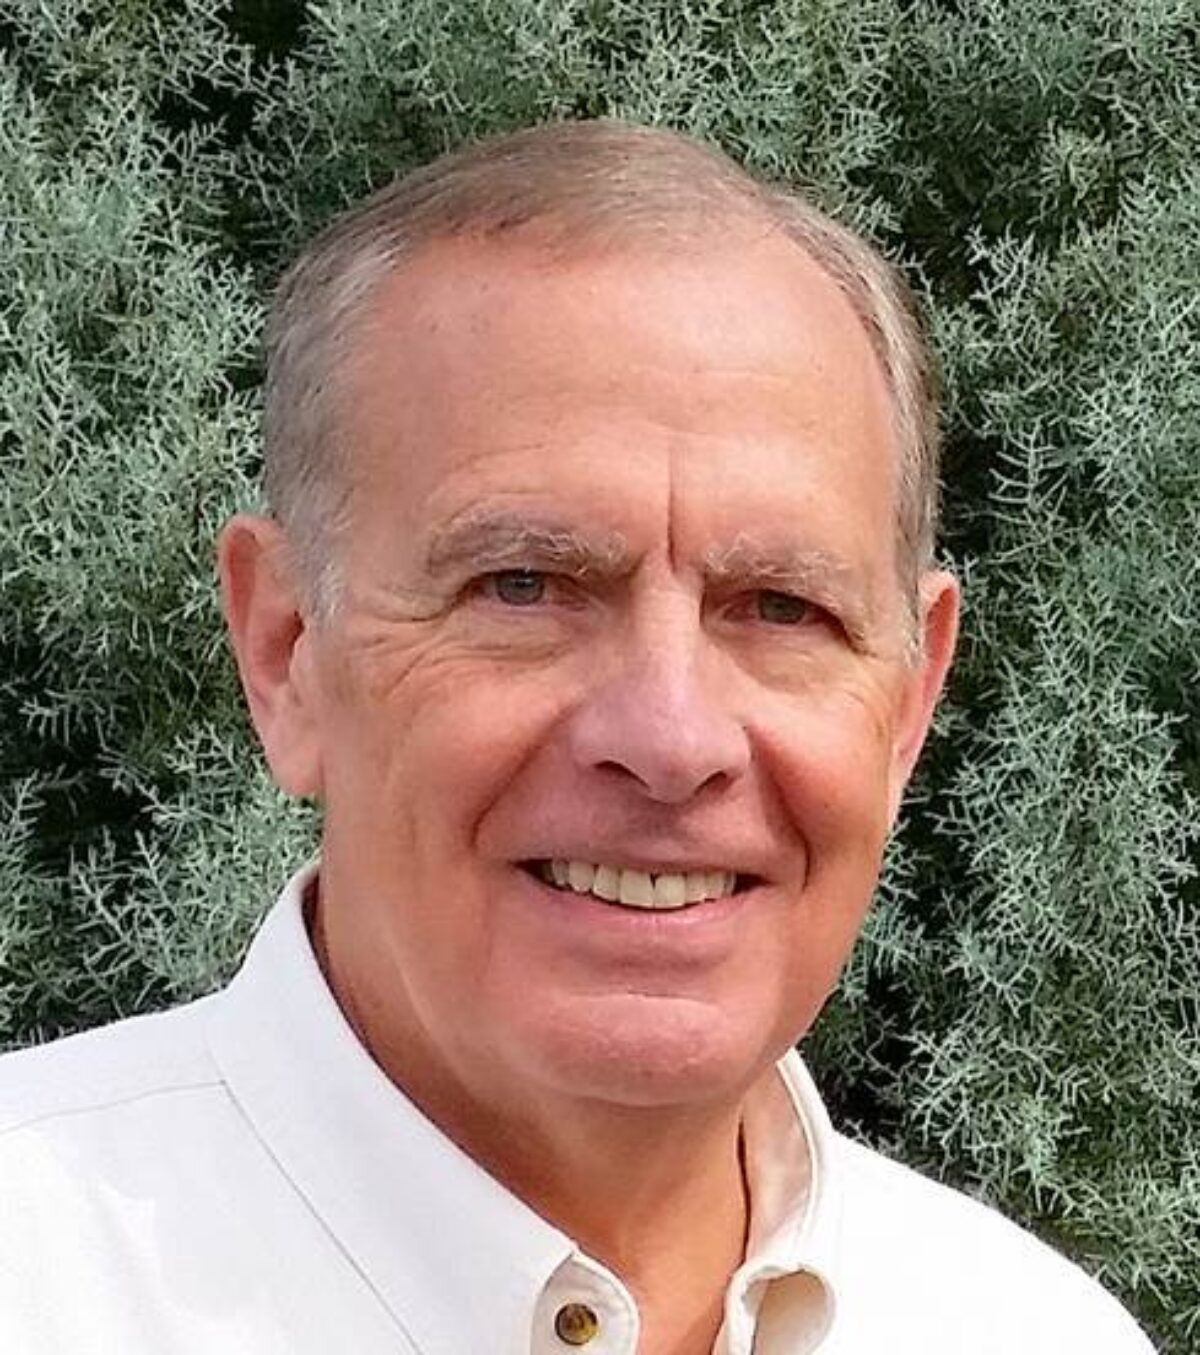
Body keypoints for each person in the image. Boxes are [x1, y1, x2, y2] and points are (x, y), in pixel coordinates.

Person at [0, 121, 1154, 1355]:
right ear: (288, 652)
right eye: (525, 586)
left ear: (910, 699)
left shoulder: (1032, 1330)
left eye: (781, 607)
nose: (672, 737)